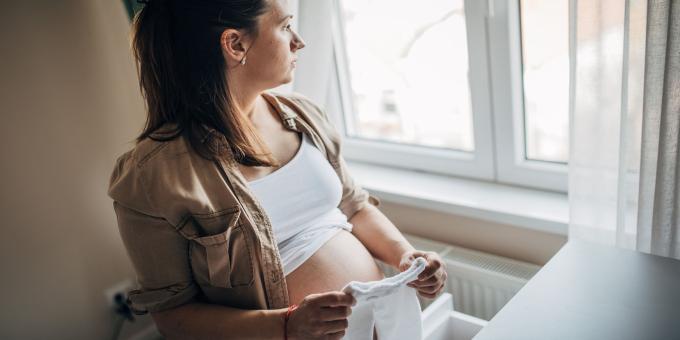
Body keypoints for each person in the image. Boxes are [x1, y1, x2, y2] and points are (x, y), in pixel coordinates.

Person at [108, 0, 448, 339]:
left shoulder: (305, 116)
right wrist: (285, 325)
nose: (298, 40)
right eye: (285, 26)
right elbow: (172, 315)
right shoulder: (151, 178)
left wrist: (406, 255)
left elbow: (354, 207)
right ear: (235, 44)